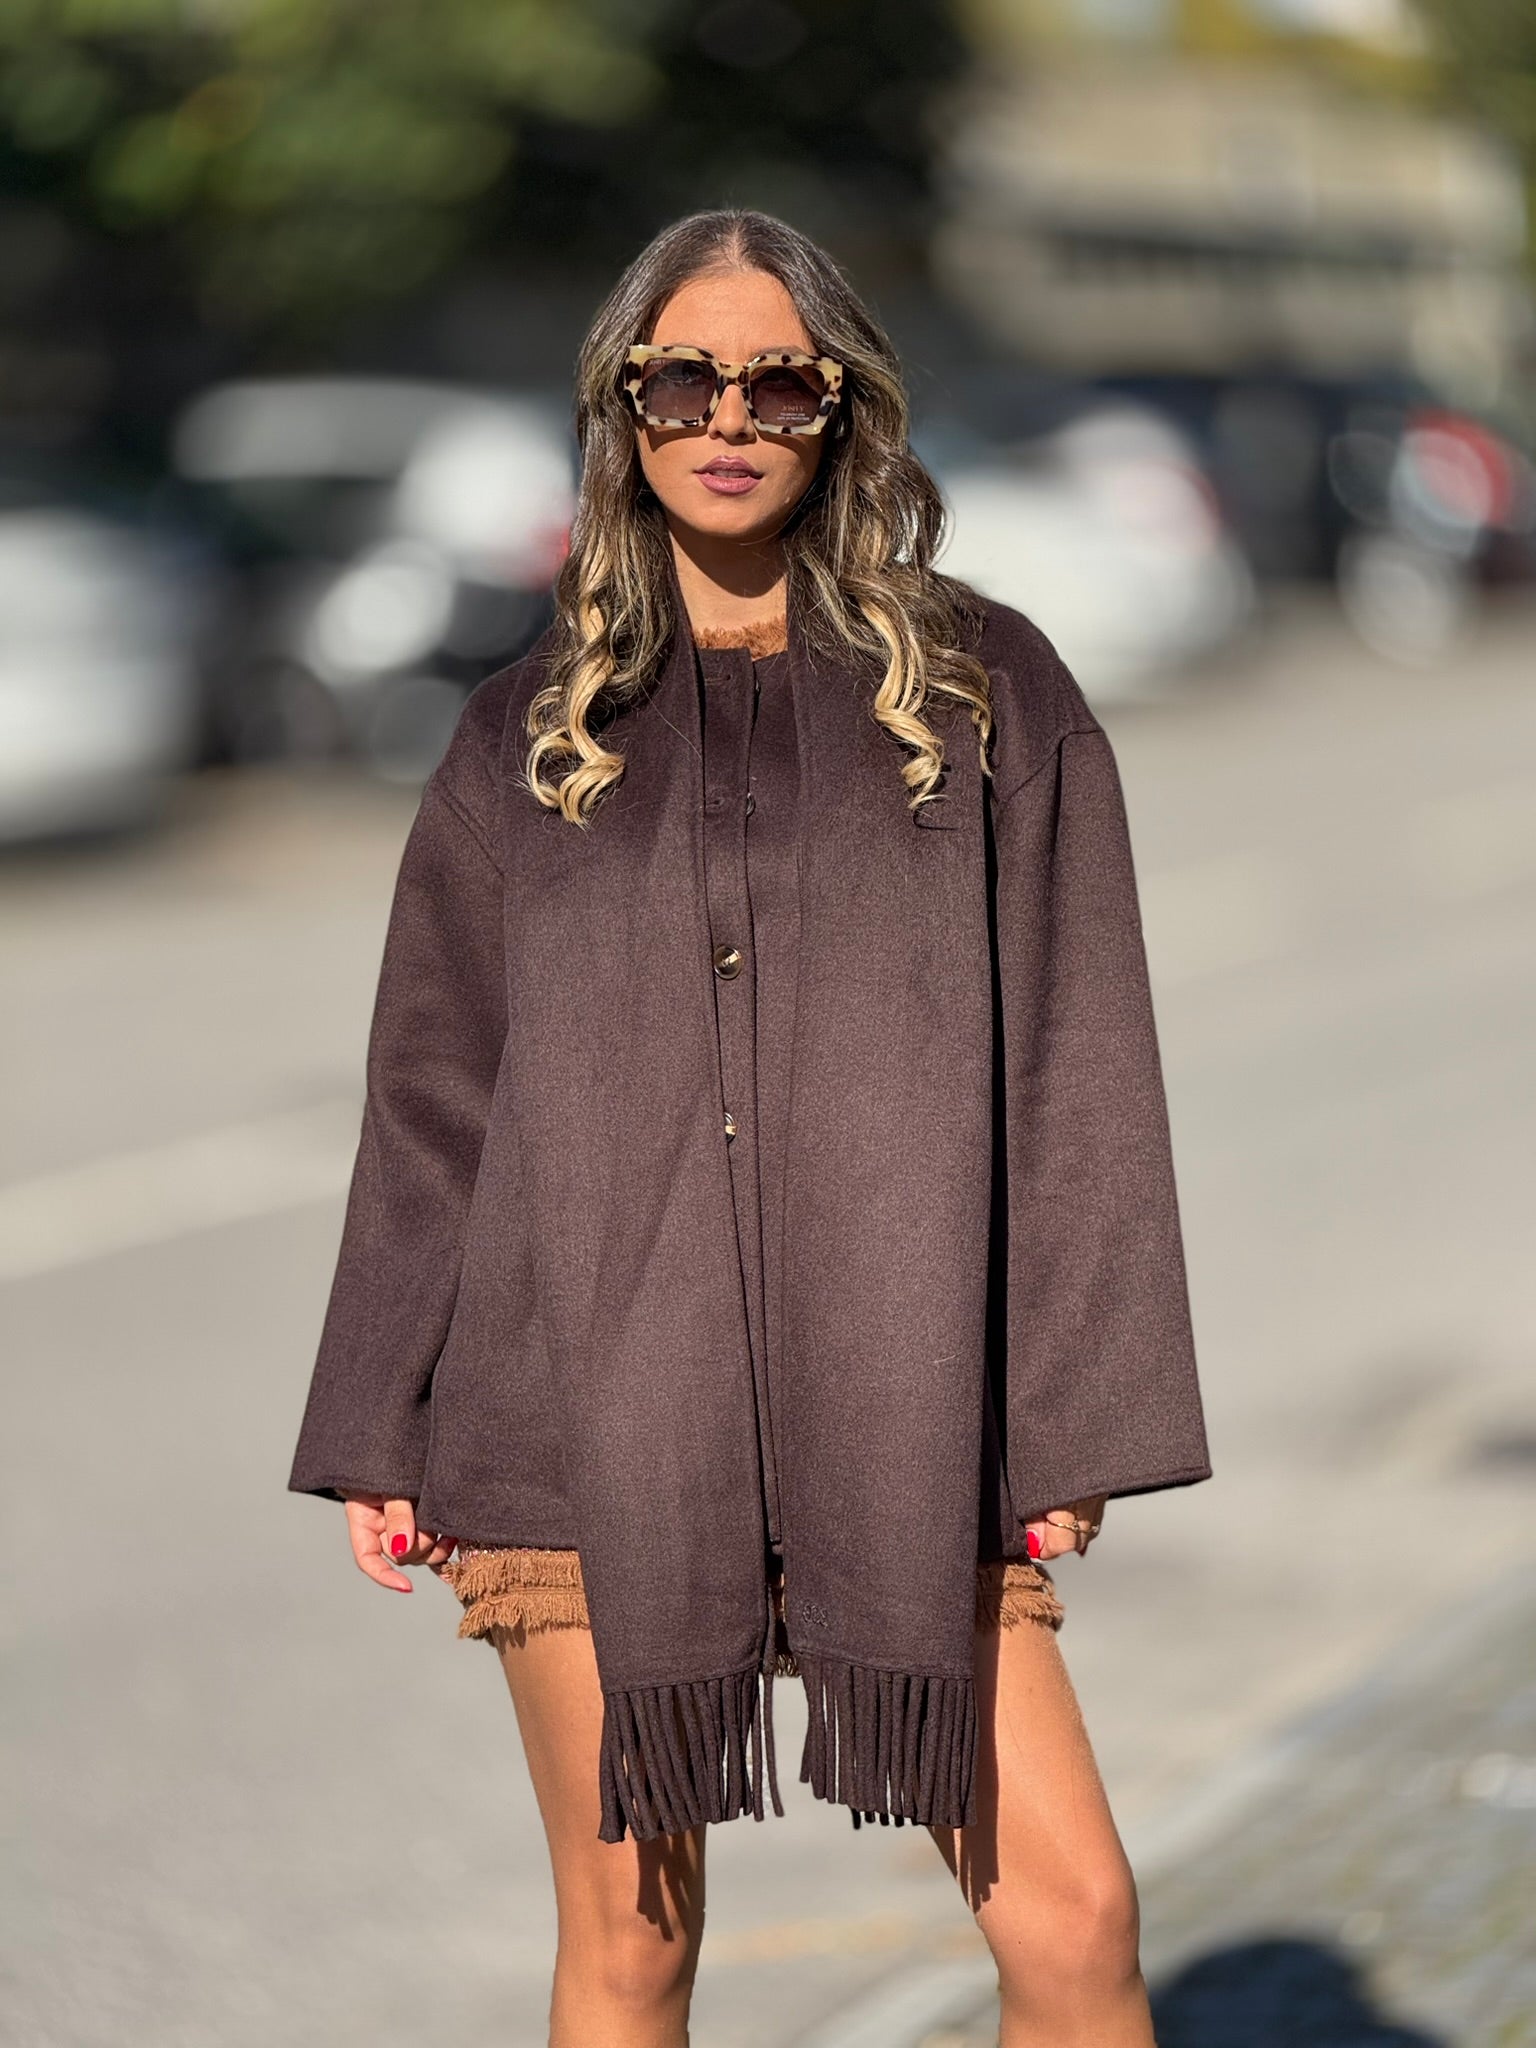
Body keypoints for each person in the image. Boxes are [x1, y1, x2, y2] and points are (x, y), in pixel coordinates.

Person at [287, 208, 1213, 2048]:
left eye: (778, 382)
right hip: (582, 1409)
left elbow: (1080, 1065)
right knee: (632, 1945)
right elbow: (432, 1094)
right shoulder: (523, 731)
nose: (728, 417)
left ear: (839, 408)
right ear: (621, 406)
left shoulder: (989, 695)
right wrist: (379, 1415)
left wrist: (1069, 1416)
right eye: (681, 379)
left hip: (914, 1411)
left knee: (1078, 1924)